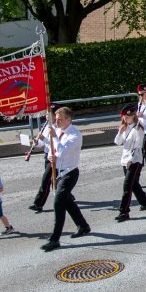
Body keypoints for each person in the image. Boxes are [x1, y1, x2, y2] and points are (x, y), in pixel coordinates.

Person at [41, 106, 91, 252]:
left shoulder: (75, 135)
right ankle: (83, 226)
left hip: (70, 173)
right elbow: (53, 149)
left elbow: (62, 151)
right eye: (56, 118)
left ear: (68, 120)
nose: (56, 121)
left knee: (59, 202)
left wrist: (54, 138)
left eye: (60, 119)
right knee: (68, 201)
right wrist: (51, 154)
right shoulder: (57, 131)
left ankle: (54, 239)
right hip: (57, 172)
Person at [113, 105, 146, 222]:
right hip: (125, 160)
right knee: (133, 184)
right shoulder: (126, 127)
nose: (125, 118)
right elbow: (117, 142)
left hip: (135, 160)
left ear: (133, 116)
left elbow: (138, 146)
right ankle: (144, 200)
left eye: (127, 116)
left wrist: (131, 160)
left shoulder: (138, 129)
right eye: (124, 117)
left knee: (127, 186)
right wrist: (120, 132)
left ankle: (124, 211)